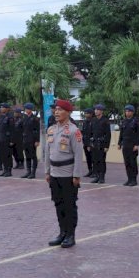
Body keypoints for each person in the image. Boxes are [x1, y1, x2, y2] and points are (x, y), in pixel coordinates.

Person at [45, 99, 83, 249]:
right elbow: (47, 152)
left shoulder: (74, 131)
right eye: (56, 110)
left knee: (69, 206)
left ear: (68, 112)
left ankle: (70, 235)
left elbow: (79, 155)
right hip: (54, 173)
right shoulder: (51, 130)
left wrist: (77, 175)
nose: (57, 112)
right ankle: (62, 233)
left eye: (60, 110)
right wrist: (47, 171)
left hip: (68, 174)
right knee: (58, 204)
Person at [119, 104, 139, 186]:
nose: (127, 112)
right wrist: (119, 143)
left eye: (129, 111)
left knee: (133, 163)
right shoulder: (124, 121)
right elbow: (121, 133)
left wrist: (137, 144)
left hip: (132, 145)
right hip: (125, 144)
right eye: (126, 111)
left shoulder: (136, 121)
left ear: (132, 112)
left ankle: (134, 180)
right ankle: (129, 179)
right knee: (127, 162)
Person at [89, 104, 111, 183]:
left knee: (101, 161)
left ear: (101, 111)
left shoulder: (105, 121)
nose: (96, 111)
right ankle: (97, 176)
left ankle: (102, 177)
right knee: (95, 160)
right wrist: (89, 144)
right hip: (94, 143)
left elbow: (108, 134)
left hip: (101, 144)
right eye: (95, 109)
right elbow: (90, 133)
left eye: (97, 110)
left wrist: (106, 146)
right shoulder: (93, 120)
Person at [20, 103, 40, 179]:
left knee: (33, 156)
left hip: (32, 140)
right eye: (25, 109)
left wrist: (37, 140)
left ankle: (33, 172)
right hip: (25, 139)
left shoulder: (35, 118)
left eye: (27, 109)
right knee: (27, 156)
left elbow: (37, 130)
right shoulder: (24, 118)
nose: (26, 110)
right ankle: (28, 172)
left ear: (30, 109)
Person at [0, 103, 14, 177]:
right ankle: (5, 170)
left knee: (8, 155)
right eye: (1, 107)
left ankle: (9, 171)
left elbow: (12, 129)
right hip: (1, 138)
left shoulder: (10, 117)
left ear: (7, 109)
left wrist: (12, 140)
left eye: (3, 107)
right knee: (2, 155)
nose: (1, 108)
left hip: (7, 139)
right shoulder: (1, 117)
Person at [82, 107, 95, 178]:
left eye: (87, 113)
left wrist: (90, 144)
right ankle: (90, 171)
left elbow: (93, 133)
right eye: (85, 113)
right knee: (88, 158)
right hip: (85, 143)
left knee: (93, 158)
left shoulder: (93, 122)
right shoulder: (85, 122)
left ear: (91, 114)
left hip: (91, 144)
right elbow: (84, 132)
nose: (86, 115)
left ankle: (94, 172)